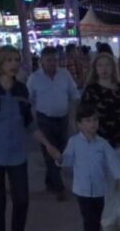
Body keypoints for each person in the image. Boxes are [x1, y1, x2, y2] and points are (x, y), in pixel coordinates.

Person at [0, 46, 61, 231]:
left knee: (21, 199)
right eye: (9, 60)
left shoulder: (21, 90)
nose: (14, 64)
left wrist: (48, 145)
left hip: (17, 152)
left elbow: (29, 123)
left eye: (16, 60)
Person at [81, 53, 120, 231]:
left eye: (107, 65)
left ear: (113, 68)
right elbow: (83, 116)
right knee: (109, 184)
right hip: (102, 144)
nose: (104, 69)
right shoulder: (91, 90)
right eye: (100, 66)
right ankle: (108, 220)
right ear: (95, 69)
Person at [59, 104, 120, 231]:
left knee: (96, 218)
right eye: (88, 120)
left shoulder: (103, 144)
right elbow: (67, 160)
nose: (93, 123)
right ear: (79, 124)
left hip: (99, 190)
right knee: (89, 220)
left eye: (95, 120)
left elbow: (113, 161)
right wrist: (60, 159)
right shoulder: (74, 142)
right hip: (82, 190)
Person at [27, 46, 81, 200]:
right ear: (42, 61)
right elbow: (28, 99)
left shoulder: (64, 75)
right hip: (44, 119)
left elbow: (75, 95)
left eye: (55, 60)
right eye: (49, 60)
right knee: (50, 152)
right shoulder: (35, 78)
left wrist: (76, 115)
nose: (52, 63)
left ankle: (50, 181)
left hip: (63, 118)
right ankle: (59, 188)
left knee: (61, 151)